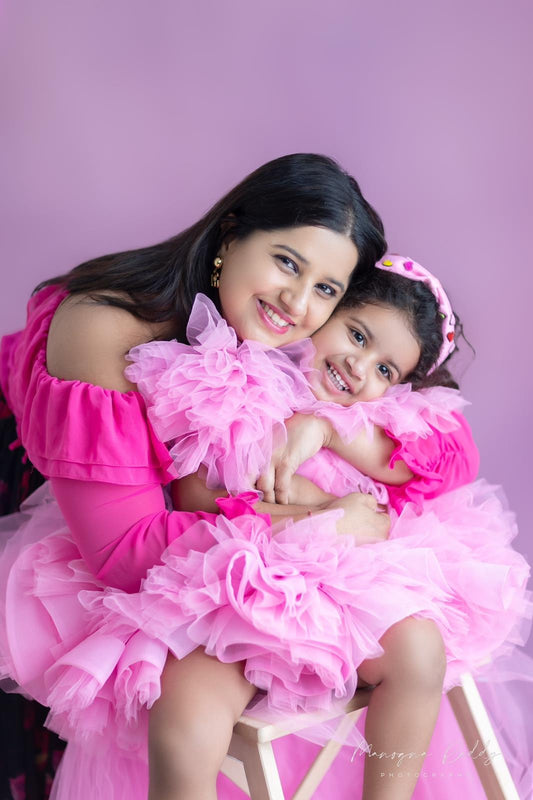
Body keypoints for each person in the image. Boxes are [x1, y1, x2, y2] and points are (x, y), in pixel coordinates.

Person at [0, 153, 389, 800]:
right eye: (287, 261)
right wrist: (321, 521)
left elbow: (424, 427)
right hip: (32, 486)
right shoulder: (106, 325)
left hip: (143, 513)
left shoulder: (276, 338)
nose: (297, 303)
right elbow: (124, 553)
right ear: (230, 236)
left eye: (325, 288)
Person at [114, 253, 530, 798]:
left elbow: (451, 464)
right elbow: (197, 496)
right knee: (185, 721)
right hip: (229, 586)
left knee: (420, 653)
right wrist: (320, 511)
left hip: (344, 594)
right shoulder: (241, 375)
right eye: (358, 336)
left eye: (386, 370)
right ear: (327, 309)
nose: (361, 367)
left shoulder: (378, 425)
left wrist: (327, 431)